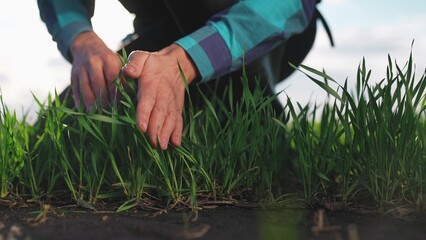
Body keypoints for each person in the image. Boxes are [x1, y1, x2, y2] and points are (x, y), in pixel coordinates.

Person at [37, 0, 332, 150]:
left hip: (261, 22)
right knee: (62, 128)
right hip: (161, 27)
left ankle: (254, 119)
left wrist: (185, 61)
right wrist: (80, 38)